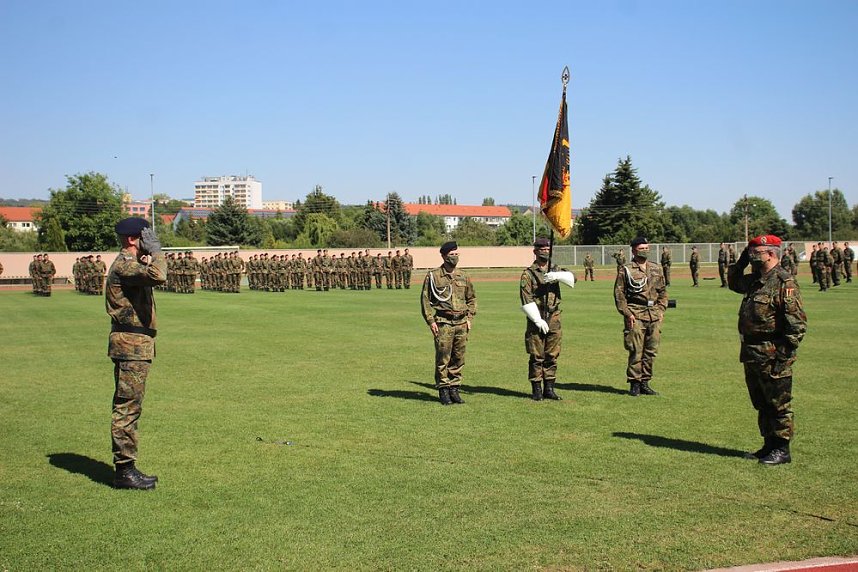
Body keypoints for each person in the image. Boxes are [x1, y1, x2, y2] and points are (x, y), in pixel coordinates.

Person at [728, 235, 806, 465]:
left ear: (771, 253)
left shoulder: (783, 282)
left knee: (778, 403)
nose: (752, 255)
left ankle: (782, 449)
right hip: (752, 351)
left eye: (756, 252)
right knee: (761, 402)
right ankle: (769, 445)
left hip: (772, 353)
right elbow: (734, 283)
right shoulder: (755, 280)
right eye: (750, 252)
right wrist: (741, 262)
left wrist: (782, 356)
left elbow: (796, 325)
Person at [106, 217, 166, 489]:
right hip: (131, 344)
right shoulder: (124, 264)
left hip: (135, 343)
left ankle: (127, 468)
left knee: (131, 406)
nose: (149, 240)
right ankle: (124, 471)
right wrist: (156, 252)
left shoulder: (132, 263)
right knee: (127, 408)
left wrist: (147, 257)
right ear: (132, 239)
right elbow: (159, 275)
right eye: (145, 236)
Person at [420, 241, 477, 405]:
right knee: (443, 358)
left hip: (461, 323)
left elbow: (472, 298)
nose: (455, 257)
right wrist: (431, 321)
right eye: (452, 254)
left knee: (458, 358)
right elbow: (425, 300)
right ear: (444, 256)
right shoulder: (433, 276)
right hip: (443, 322)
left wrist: (470, 318)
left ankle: (454, 389)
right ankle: (443, 389)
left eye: (457, 254)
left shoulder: (463, 275)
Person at [520, 238, 575, 401]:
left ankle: (549, 388)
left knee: (552, 354)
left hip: (554, 316)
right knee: (537, 355)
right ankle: (537, 389)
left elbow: (573, 279)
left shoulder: (555, 268)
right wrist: (537, 319)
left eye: (547, 249)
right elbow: (526, 298)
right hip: (536, 316)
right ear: (535, 251)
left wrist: (558, 276)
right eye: (541, 249)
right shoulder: (528, 274)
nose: (545, 251)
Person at [614, 237, 668, 396]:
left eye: (646, 248)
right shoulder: (626, 270)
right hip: (636, 314)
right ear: (634, 250)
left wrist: (661, 310)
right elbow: (619, 295)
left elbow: (663, 292)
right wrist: (627, 313)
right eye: (641, 248)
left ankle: (645, 382)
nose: (645, 250)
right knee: (636, 350)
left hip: (654, 314)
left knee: (651, 351)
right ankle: (634, 383)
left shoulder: (656, 268)